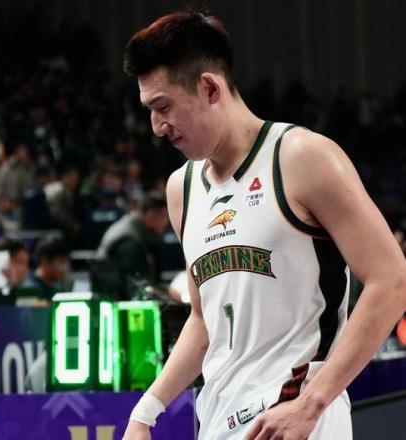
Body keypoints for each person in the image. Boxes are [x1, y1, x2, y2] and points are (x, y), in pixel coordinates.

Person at [121, 10, 406, 440]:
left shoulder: (302, 158)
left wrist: (312, 403)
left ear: (210, 88)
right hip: (219, 417)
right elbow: (203, 321)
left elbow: (392, 279)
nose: (157, 127)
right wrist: (145, 412)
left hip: (298, 413)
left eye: (162, 107)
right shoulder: (182, 189)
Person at [95, 192, 169, 300]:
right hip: (114, 295)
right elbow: (131, 281)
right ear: (151, 214)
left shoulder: (144, 233)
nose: (167, 221)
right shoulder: (129, 240)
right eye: (164, 216)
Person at [27, 235, 70, 300]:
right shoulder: (29, 289)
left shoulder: (57, 289)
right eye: (61, 262)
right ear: (45, 262)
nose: (64, 268)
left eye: (66, 262)